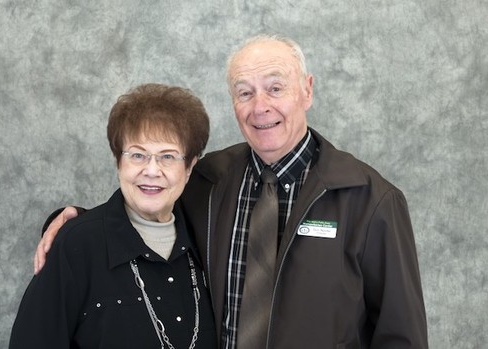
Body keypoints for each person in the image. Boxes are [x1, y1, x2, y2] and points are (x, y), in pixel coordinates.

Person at [33, 35, 428, 348]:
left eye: (275, 88)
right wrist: (76, 221)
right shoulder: (207, 180)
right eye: (244, 92)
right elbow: (147, 208)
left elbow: (401, 336)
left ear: (307, 91)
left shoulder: (371, 200)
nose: (260, 107)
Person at [10, 83, 217, 348]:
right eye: (138, 155)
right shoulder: (76, 245)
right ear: (118, 161)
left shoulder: (208, 239)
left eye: (168, 156)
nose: (152, 171)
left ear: (190, 167)